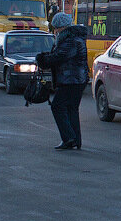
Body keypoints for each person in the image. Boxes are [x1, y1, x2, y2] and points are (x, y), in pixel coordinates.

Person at [37, 12, 89, 150]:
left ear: (62, 27)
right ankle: (75, 140)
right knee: (72, 109)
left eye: (56, 27)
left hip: (71, 80)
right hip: (77, 79)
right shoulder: (74, 38)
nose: (55, 30)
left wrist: (42, 59)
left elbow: (60, 56)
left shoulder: (70, 40)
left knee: (57, 106)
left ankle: (69, 137)